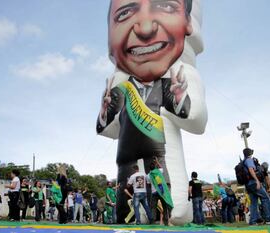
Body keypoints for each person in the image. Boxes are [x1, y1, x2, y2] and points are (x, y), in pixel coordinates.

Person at [98, 0, 208, 223]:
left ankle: (168, 213)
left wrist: (180, 99)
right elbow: (106, 128)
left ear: (188, 23)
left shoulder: (178, 76)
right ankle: (129, 215)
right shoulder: (120, 87)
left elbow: (197, 119)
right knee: (127, 206)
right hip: (126, 158)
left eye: (165, 6)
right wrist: (104, 111)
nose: (144, 27)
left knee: (167, 197)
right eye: (125, 13)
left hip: (162, 155)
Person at [243, 148, 270, 227]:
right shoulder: (249, 160)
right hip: (254, 182)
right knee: (266, 198)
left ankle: (253, 222)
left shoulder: (243, 162)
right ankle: (269, 220)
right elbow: (251, 169)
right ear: (250, 153)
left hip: (248, 185)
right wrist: (257, 180)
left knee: (253, 203)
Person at [148, 158, 172, 226]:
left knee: (153, 207)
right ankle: (166, 222)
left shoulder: (148, 175)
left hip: (154, 193)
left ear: (149, 169)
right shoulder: (158, 171)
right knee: (165, 206)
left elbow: (149, 184)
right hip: (161, 192)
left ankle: (153, 221)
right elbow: (161, 167)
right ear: (155, 167)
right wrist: (157, 162)